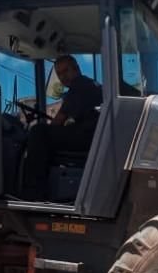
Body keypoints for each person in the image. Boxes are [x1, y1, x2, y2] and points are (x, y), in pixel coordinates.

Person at [20, 55, 102, 200]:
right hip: (94, 135)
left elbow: (59, 121)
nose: (63, 76)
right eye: (59, 74)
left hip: (87, 137)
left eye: (66, 71)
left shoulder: (78, 85)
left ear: (76, 69)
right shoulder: (90, 84)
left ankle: (34, 191)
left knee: (38, 132)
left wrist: (44, 130)